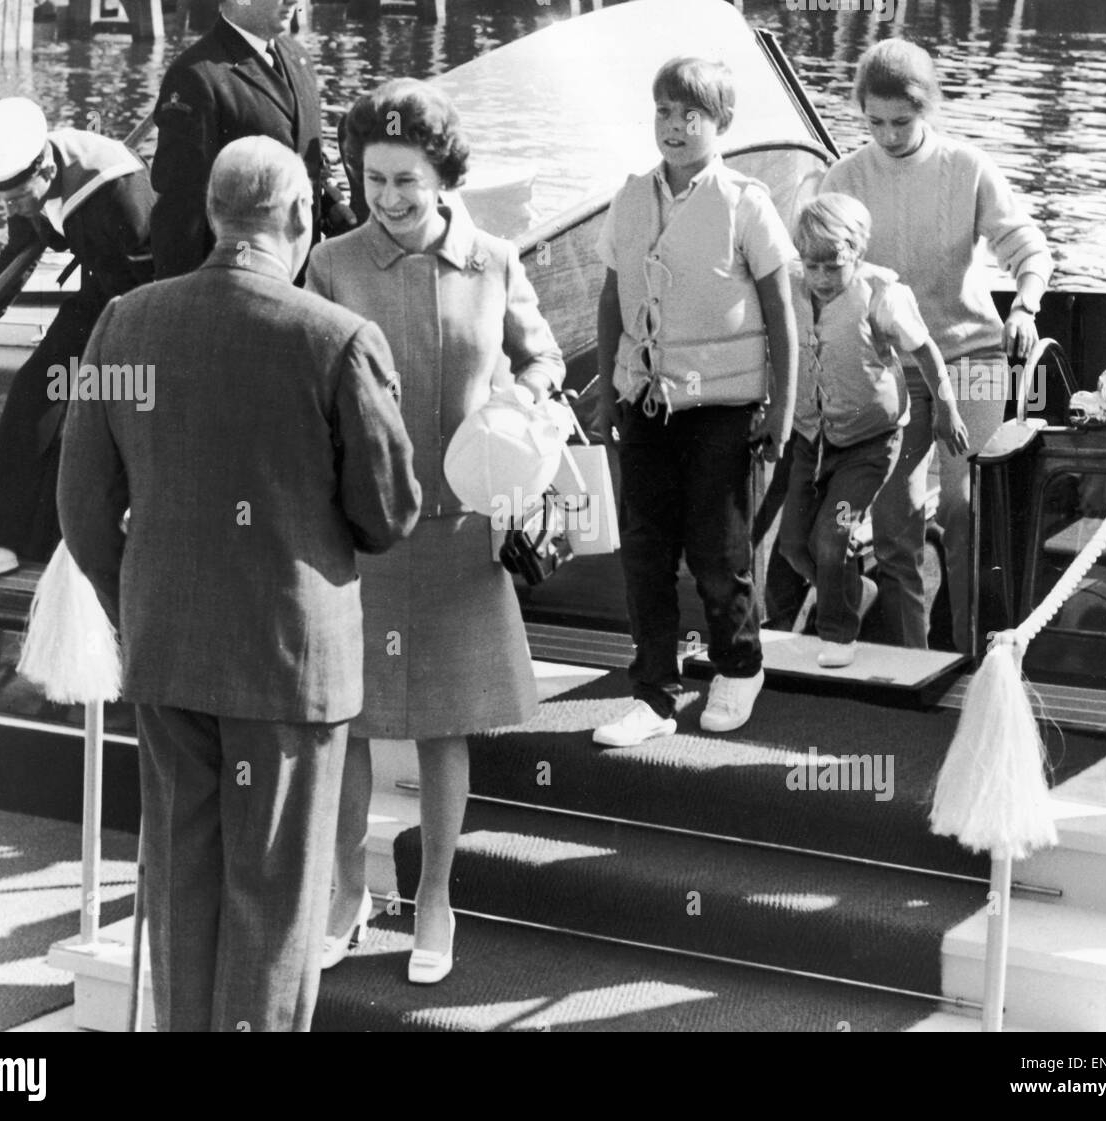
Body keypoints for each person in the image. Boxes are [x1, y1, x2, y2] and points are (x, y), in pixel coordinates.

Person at [57, 136, 421, 1031]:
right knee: (274, 904)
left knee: (180, 888)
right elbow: (387, 514)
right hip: (289, 669)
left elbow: (81, 507)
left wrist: (138, 600)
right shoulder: (337, 340)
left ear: (217, 217)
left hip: (170, 655)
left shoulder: (124, 323)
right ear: (300, 219)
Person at [304, 79, 564, 984]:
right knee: (351, 724)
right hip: (366, 529)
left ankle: (435, 899)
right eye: (373, 178)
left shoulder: (494, 259)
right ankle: (346, 893)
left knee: (444, 727)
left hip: (460, 531)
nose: (388, 197)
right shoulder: (331, 263)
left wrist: (522, 409)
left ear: (444, 174)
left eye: (406, 178)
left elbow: (544, 358)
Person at [821, 38, 1054, 655]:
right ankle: (912, 663)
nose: (889, 135)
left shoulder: (968, 168)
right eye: (874, 123)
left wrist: (1025, 306)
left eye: (902, 121)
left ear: (928, 110)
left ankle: (976, 654)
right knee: (894, 521)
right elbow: (814, 270)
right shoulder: (843, 178)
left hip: (971, 358)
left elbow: (1030, 250)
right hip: (895, 369)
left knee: (959, 507)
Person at [591, 56, 798, 747]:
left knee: (717, 548)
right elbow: (611, 298)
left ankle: (739, 663)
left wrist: (783, 410)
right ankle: (654, 690)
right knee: (646, 550)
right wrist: (607, 394)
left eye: (692, 116)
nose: (675, 128)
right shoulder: (629, 197)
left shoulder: (748, 202)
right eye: (665, 113)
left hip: (723, 408)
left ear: (722, 125)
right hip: (645, 403)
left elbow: (781, 314)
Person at [0, 97, 154, 582]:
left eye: (20, 198)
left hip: (145, 304)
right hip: (100, 288)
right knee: (35, 389)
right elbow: (21, 246)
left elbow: (155, 281)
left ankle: (99, 542)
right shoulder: (30, 170)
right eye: (4, 202)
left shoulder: (118, 192)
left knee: (96, 401)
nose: (15, 208)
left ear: (45, 167)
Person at [779, 194, 966, 668]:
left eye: (833, 266)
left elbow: (926, 351)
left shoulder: (881, 295)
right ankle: (854, 588)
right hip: (812, 440)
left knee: (833, 534)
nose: (821, 278)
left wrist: (946, 408)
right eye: (812, 265)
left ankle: (838, 636)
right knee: (794, 546)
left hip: (869, 446)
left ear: (857, 254)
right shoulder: (790, 284)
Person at [149, 0, 354, 281]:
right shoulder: (196, 77)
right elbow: (180, 210)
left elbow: (306, 150)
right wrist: (181, 303)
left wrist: (333, 202)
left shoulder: (298, 58)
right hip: (237, 284)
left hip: (301, 276)